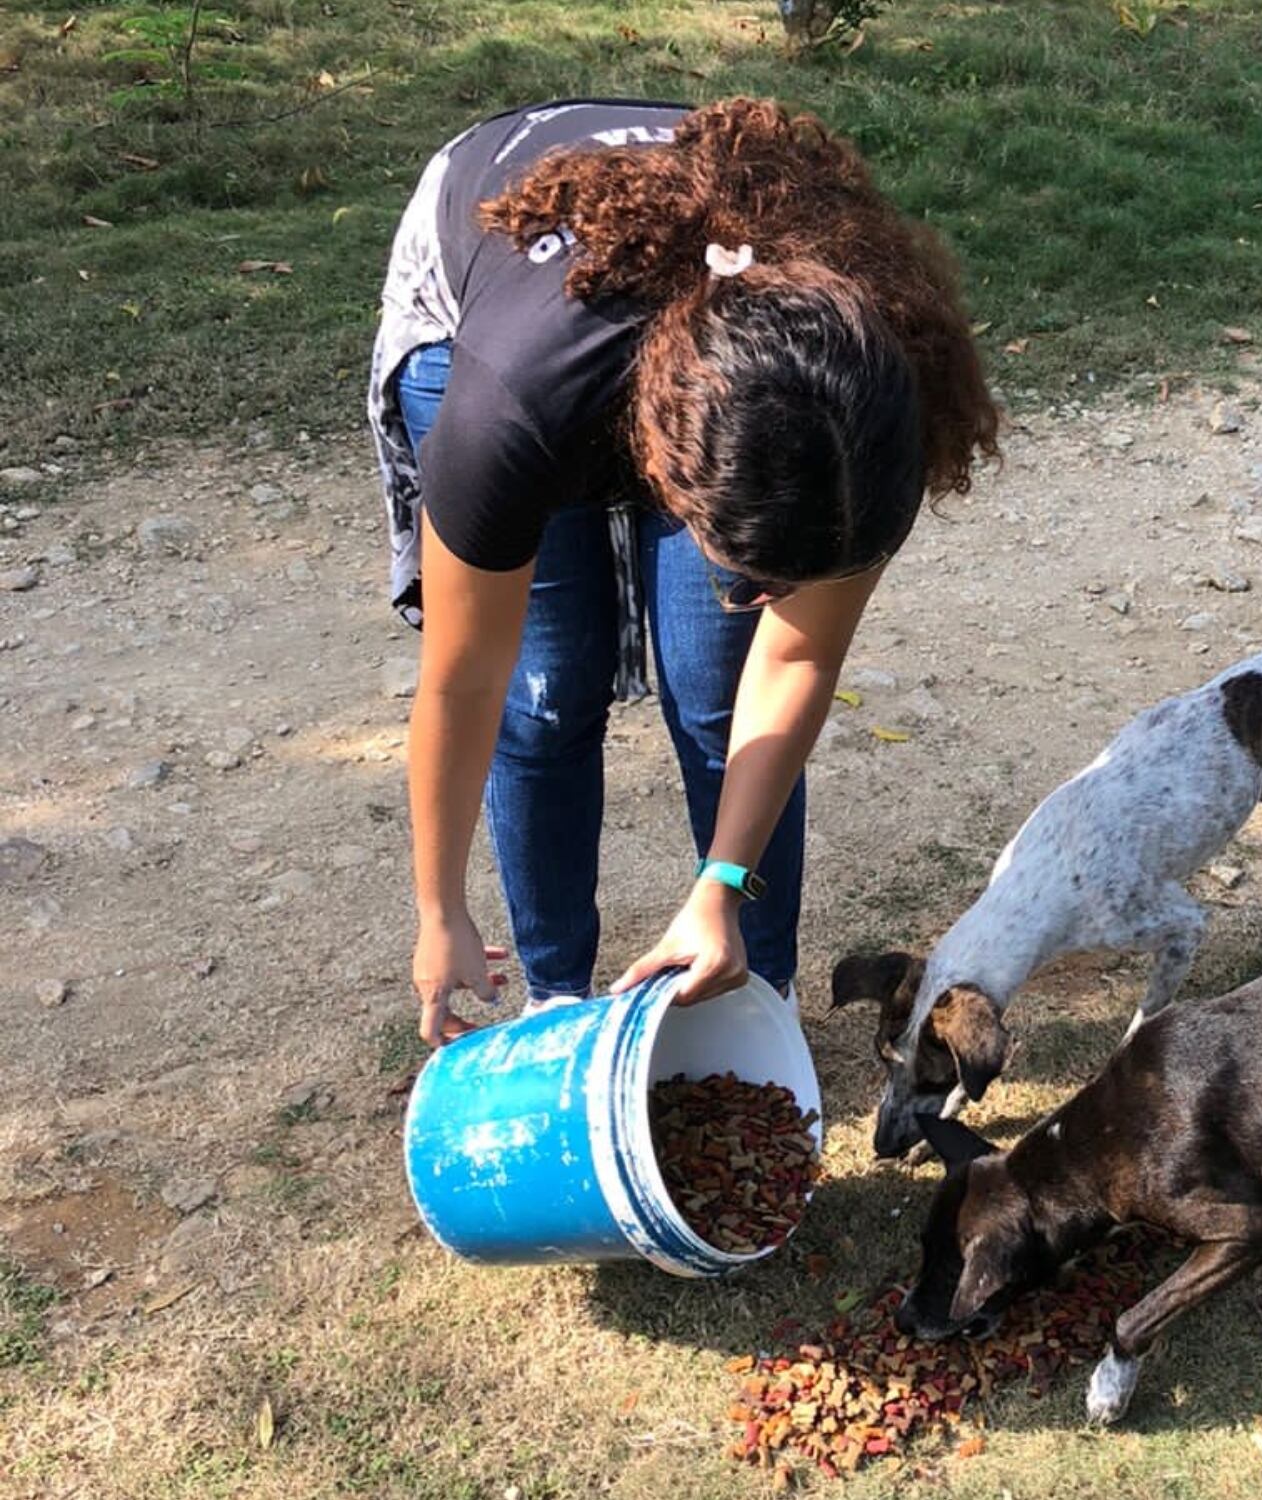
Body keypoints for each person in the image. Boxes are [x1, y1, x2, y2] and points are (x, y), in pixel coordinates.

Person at [367, 97, 998, 1046]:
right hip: (486, 277)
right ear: (672, 480)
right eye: (751, 574)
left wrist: (723, 885)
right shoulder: (513, 412)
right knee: (547, 685)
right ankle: (553, 998)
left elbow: (792, 665)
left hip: (734, 344)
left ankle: (748, 978)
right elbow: (466, 681)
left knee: (714, 685)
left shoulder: (863, 421)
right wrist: (439, 910)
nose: (769, 606)